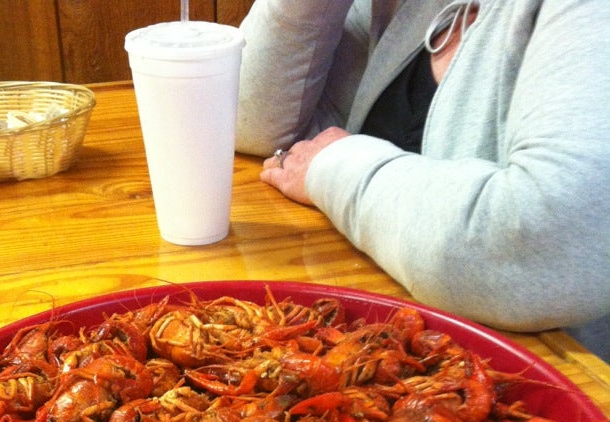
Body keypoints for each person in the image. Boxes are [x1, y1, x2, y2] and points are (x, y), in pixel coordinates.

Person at [235, 0, 610, 358]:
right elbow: (256, 128)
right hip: (368, 346)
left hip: (543, 386)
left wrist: (338, 170)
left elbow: (551, 240)